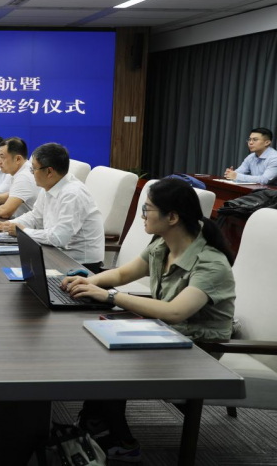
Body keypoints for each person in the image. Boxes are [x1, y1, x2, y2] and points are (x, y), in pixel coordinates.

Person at [59, 178, 236, 461]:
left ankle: (121, 439)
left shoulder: (210, 262)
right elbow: (122, 274)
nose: (142, 215)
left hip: (199, 347)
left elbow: (175, 311)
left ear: (172, 217)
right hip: (168, 331)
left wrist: (110, 296)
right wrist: (87, 282)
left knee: (110, 353)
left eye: (148, 209)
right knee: (95, 337)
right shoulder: (162, 244)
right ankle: (95, 421)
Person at [0, 143, 105, 271]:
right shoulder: (49, 186)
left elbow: (59, 237)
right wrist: (8, 225)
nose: (32, 173)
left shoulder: (73, 194)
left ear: (49, 171)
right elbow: (35, 217)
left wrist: (23, 231)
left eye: (33, 169)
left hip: (81, 266)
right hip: (57, 254)